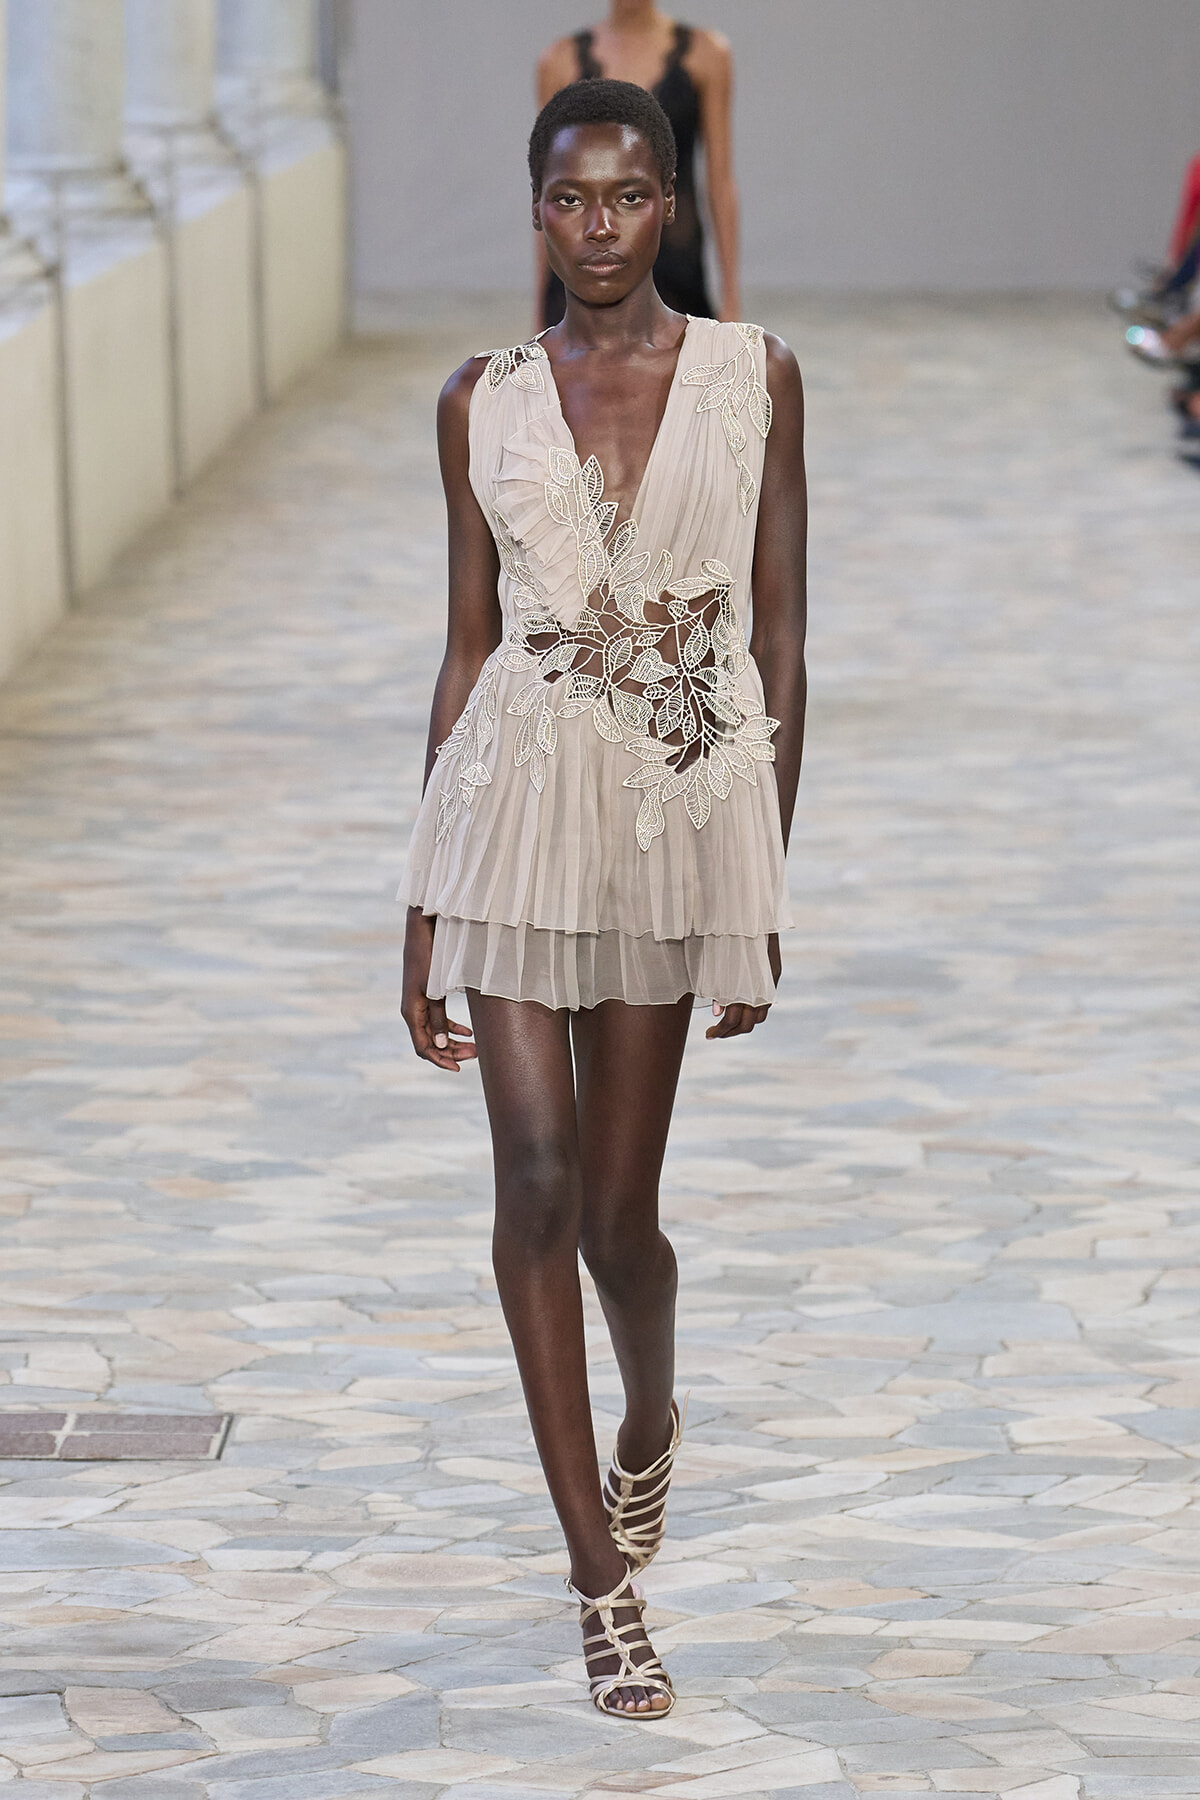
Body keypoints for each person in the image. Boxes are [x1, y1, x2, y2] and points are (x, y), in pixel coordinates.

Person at [400, 78, 806, 1717]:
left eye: (627, 197)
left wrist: (760, 875)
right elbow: (463, 645)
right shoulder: (479, 401)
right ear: (537, 213)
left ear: (671, 209)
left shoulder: (751, 377)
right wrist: (420, 902)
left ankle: (650, 1421)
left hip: (672, 809)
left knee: (624, 1223)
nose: (596, 229)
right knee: (538, 1180)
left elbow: (778, 640)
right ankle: (597, 1580)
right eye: (569, 201)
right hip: (514, 800)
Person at [536, 2, 739, 327]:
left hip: (676, 263)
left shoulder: (706, 55)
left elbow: (720, 180)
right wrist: (539, 309)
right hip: (584, 260)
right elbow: (548, 188)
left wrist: (731, 299)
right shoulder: (559, 62)